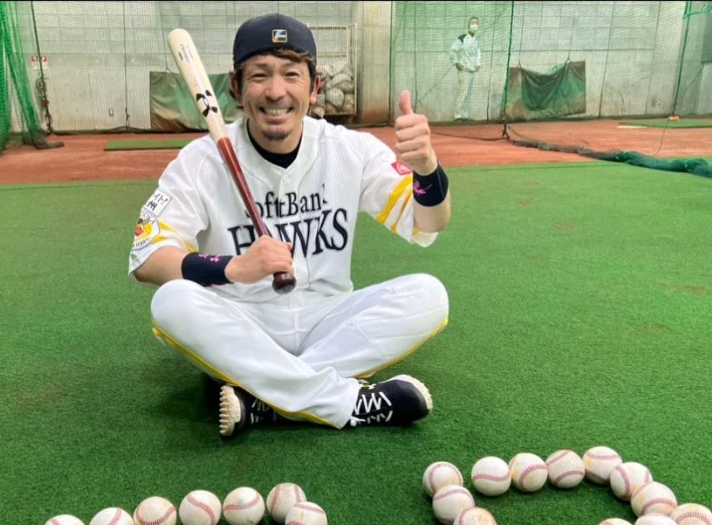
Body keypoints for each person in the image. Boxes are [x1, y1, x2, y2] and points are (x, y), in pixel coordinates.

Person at [128, 13, 452, 438]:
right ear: (236, 90)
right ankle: (348, 402)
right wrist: (231, 268)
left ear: (314, 88)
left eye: (291, 75)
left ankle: (267, 400)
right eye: (259, 75)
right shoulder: (200, 160)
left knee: (429, 295)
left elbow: (429, 222)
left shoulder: (348, 150)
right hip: (243, 321)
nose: (276, 91)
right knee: (171, 301)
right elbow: (148, 258)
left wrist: (427, 169)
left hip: (329, 318)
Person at [449, 17, 481, 121]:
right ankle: (457, 115)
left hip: (472, 71)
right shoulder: (462, 38)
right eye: (472, 23)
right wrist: (456, 62)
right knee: (463, 92)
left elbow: (478, 54)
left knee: (468, 94)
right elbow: (452, 50)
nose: (474, 25)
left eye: (476, 23)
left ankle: (465, 115)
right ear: (468, 25)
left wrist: (478, 63)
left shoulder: (476, 41)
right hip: (464, 71)